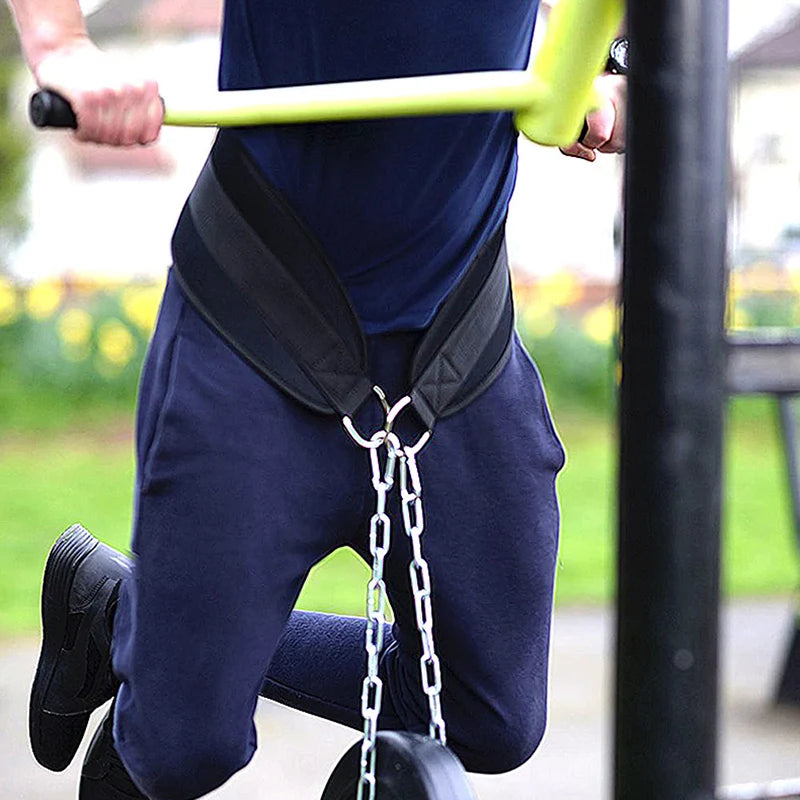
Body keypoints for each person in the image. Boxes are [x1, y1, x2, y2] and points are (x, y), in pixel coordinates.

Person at [9, 0, 626, 797]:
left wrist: (563, 57)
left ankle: (126, 610)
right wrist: (63, 42)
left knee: (490, 716)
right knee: (180, 750)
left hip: (454, 343)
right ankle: (159, 651)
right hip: (260, 324)